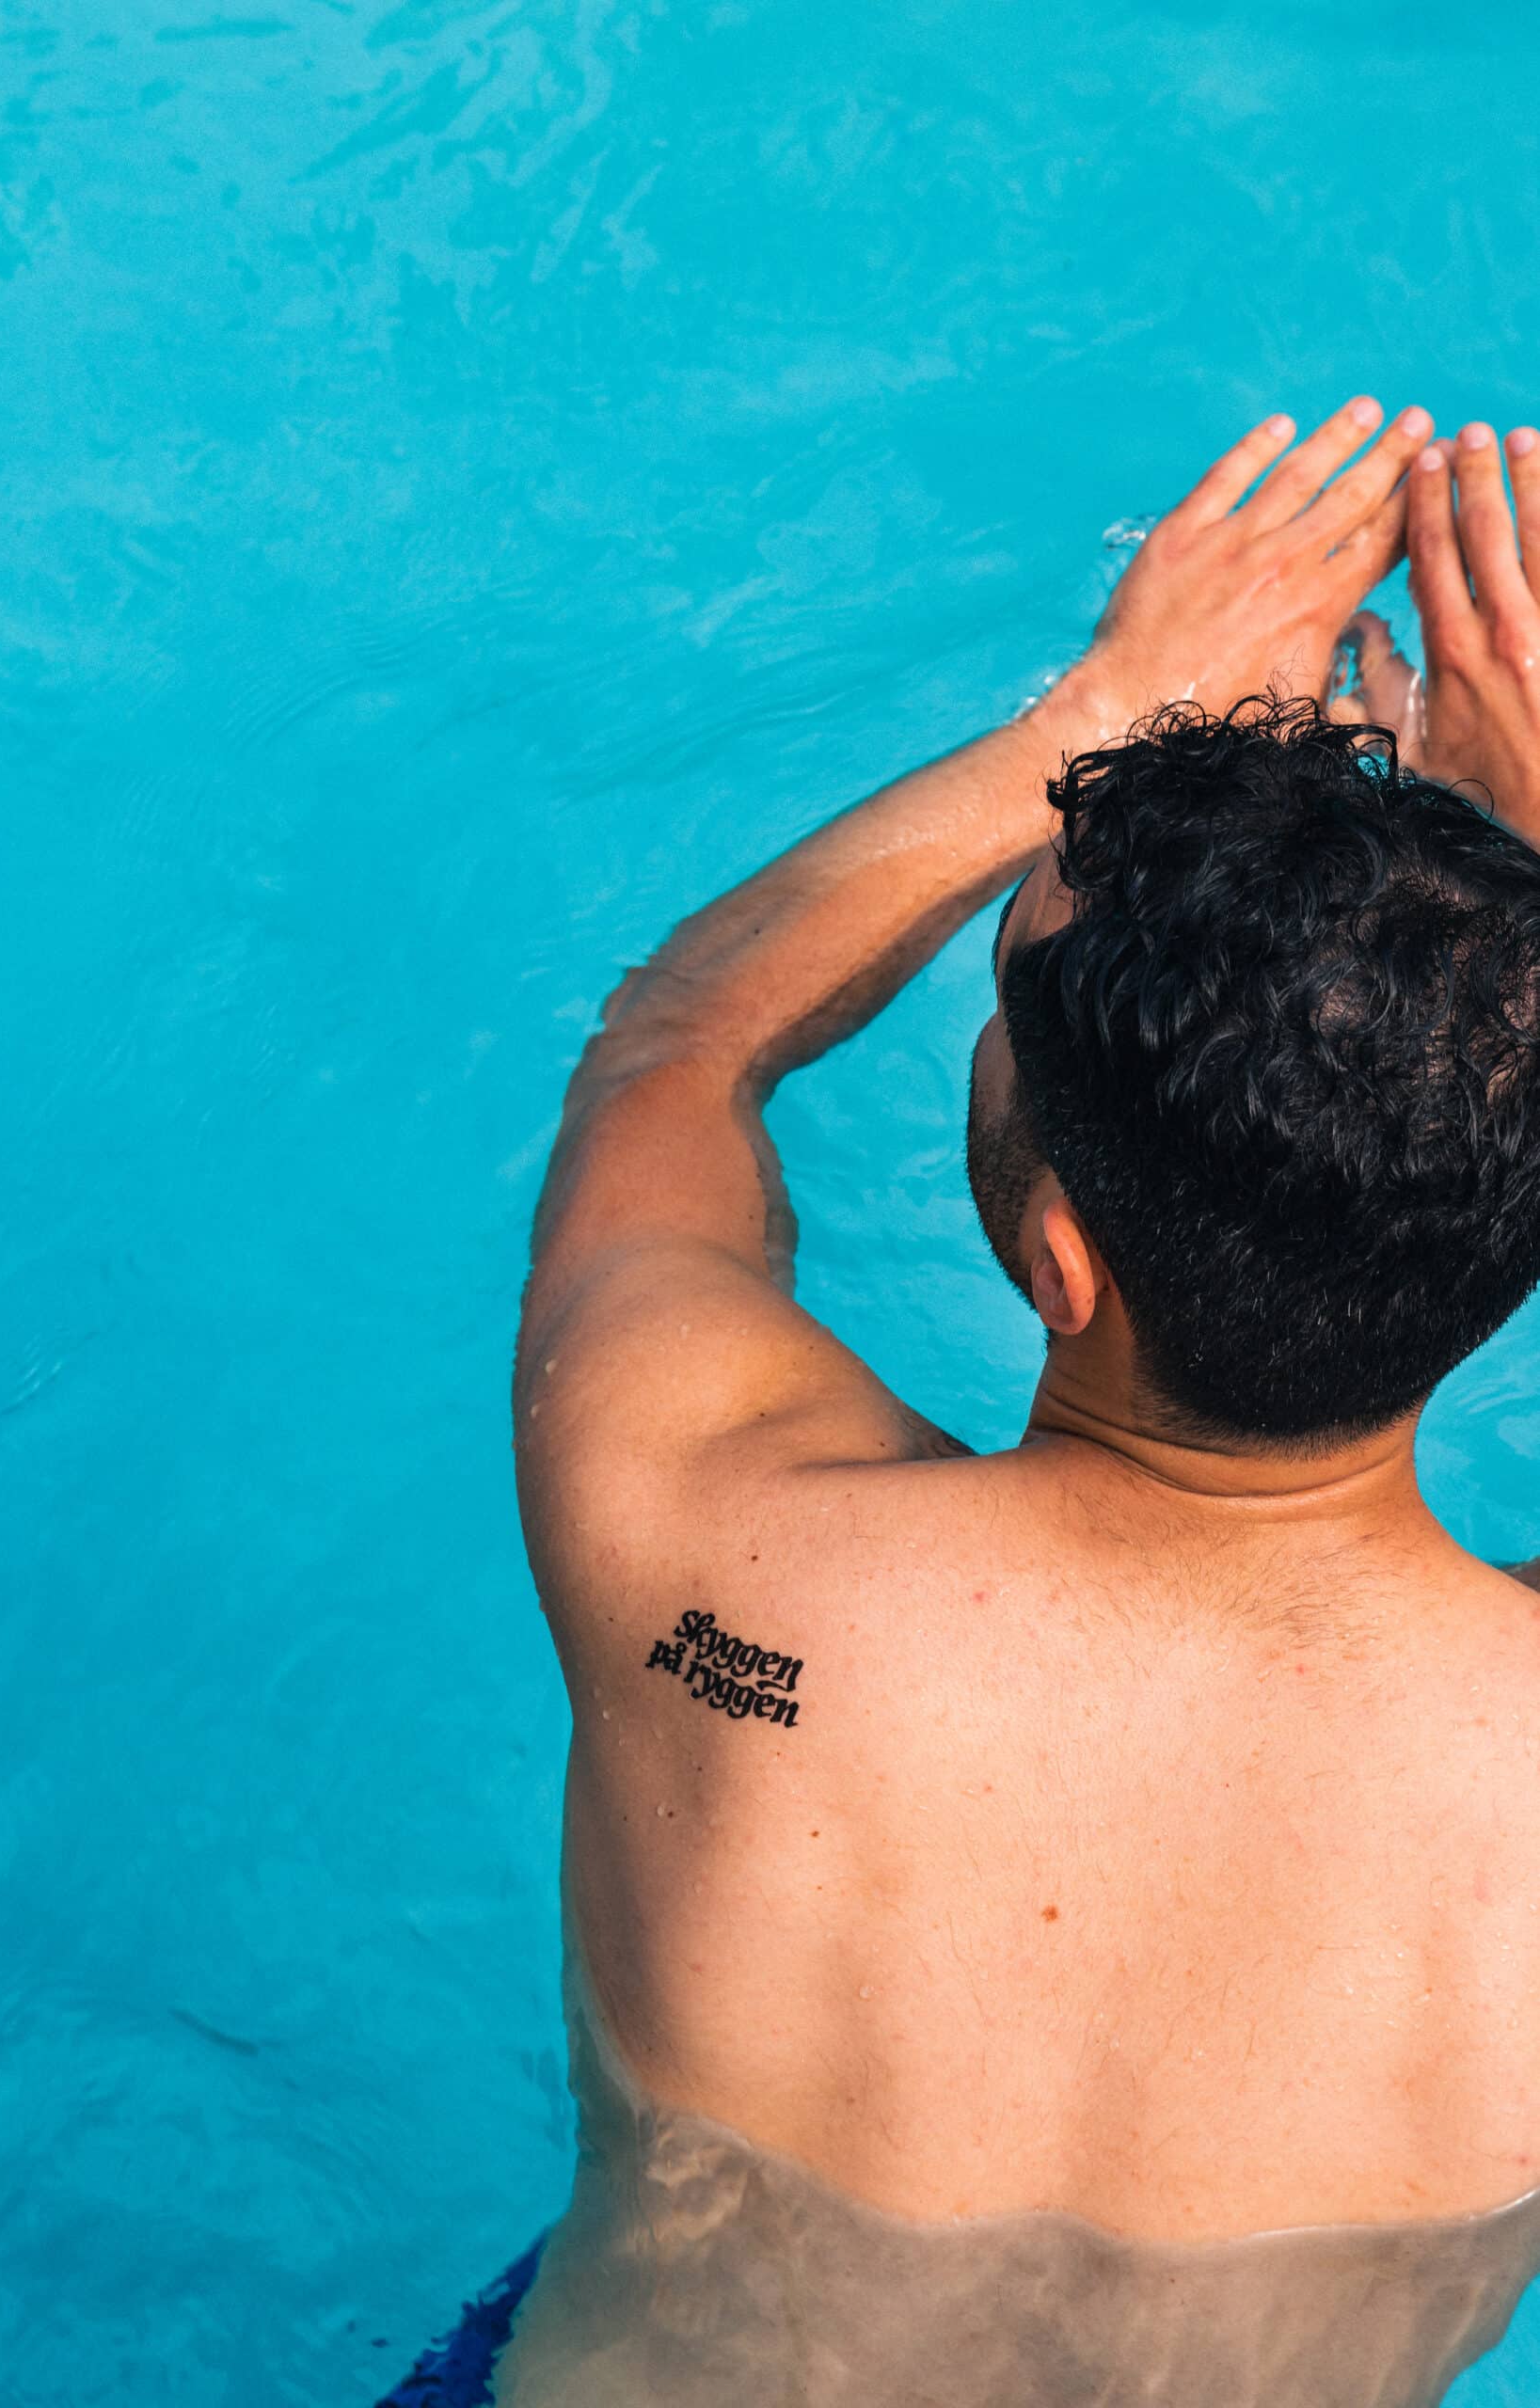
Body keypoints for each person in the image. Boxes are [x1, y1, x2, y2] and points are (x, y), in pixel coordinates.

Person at [383, 406, 1540, 2406]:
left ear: (1060, 1255)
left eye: (1012, 1015)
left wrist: (1080, 723)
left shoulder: (712, 1560)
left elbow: (679, 1046)